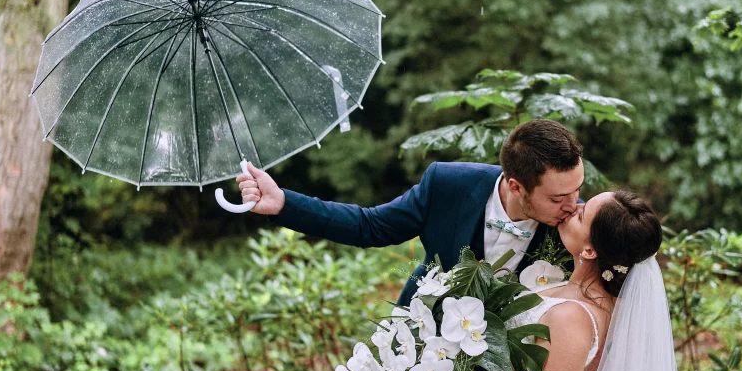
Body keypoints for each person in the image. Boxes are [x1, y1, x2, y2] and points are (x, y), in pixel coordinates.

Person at [421, 189, 699, 371]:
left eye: (582, 214)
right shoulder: (579, 294)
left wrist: (466, 360)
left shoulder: (573, 318)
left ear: (591, 251)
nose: (573, 208)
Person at [236, 119, 584, 305]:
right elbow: (368, 226)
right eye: (557, 198)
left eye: (577, 191)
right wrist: (283, 203)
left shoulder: (579, 227)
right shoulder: (447, 185)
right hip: (422, 343)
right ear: (515, 186)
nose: (572, 206)